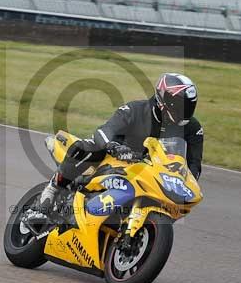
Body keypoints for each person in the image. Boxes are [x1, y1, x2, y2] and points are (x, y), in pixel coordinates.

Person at [39, 72, 204, 213]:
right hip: (115, 159)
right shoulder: (136, 110)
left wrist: (184, 179)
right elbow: (104, 131)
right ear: (165, 100)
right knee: (91, 146)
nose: (185, 112)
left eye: (189, 106)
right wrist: (113, 146)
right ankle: (53, 188)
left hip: (151, 174)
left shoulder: (192, 128)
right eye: (181, 106)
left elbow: (194, 166)